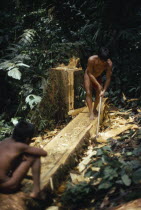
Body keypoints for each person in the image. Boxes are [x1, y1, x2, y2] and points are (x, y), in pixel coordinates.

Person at [0, 121, 47, 199]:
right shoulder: (20, 146)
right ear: (27, 139)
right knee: (34, 157)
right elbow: (43, 153)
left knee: (20, 156)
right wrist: (26, 151)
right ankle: (36, 191)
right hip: (6, 186)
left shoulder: (4, 141)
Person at [84, 47, 112, 120]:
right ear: (98, 57)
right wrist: (98, 85)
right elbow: (89, 73)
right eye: (101, 60)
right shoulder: (91, 60)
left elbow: (108, 78)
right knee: (88, 92)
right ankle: (91, 112)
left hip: (98, 76)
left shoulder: (109, 64)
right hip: (89, 75)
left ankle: (94, 108)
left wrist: (104, 90)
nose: (103, 63)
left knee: (99, 92)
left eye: (104, 61)